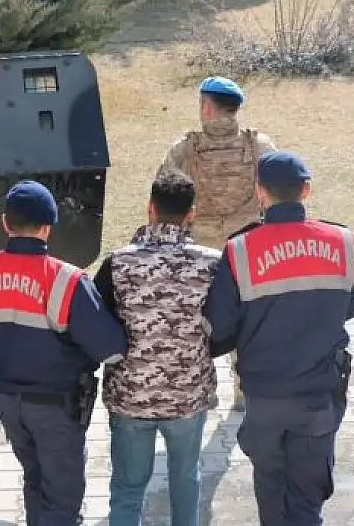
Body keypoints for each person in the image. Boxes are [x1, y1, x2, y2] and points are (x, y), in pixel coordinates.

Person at [202, 150, 354, 526]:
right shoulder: (342, 242)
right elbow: (350, 307)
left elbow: (220, 326)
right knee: (306, 503)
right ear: (306, 190)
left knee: (271, 495)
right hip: (318, 395)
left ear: (261, 192)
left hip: (264, 397)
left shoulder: (240, 249)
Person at [0, 179, 129, 526]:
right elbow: (112, 350)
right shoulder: (66, 279)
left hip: (8, 403)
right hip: (55, 409)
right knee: (62, 501)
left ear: (5, 223)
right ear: (48, 227)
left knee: (35, 481)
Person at [92, 169, 221, 526]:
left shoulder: (117, 263)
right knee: (185, 481)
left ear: (150, 207)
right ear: (191, 212)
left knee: (129, 490)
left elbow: (94, 325)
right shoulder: (213, 263)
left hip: (130, 398)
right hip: (188, 397)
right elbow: (226, 325)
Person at [157, 75, 277, 411]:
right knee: (247, 316)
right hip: (247, 248)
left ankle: (193, 391)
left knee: (198, 318)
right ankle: (244, 391)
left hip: (200, 249)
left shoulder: (184, 147)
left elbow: (164, 194)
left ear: (208, 107)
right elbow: (278, 192)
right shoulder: (259, 145)